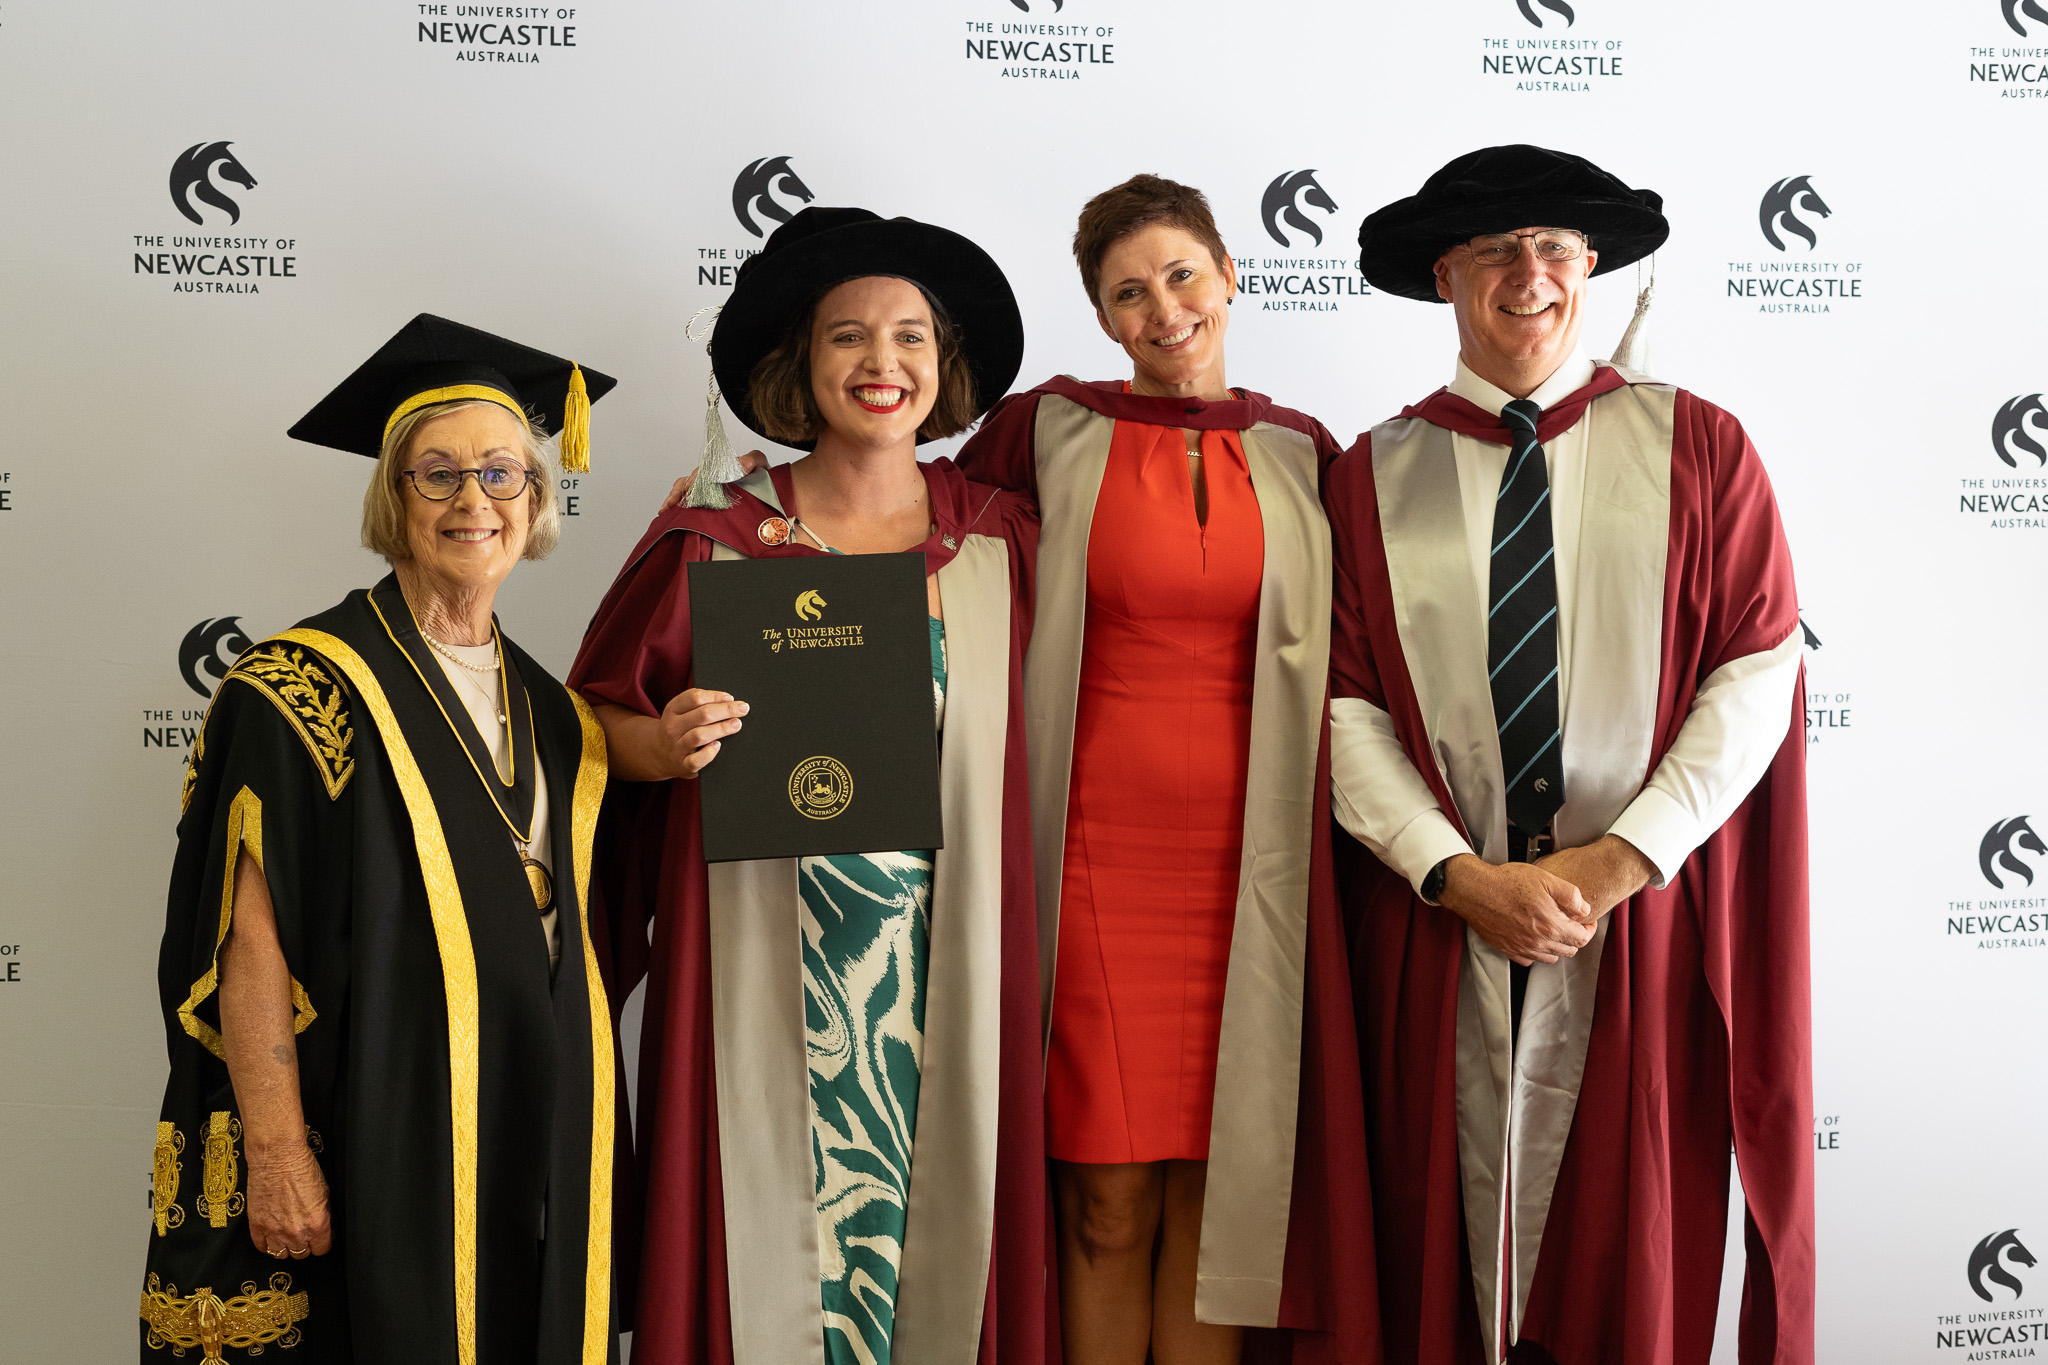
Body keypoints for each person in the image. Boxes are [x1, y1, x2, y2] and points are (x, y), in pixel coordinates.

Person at [1327, 144, 1812, 1365]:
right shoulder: (1367, 473)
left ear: (1590, 265)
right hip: (1437, 931)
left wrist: (1614, 866)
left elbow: (1756, 671)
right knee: (1427, 1263)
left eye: (1551, 248)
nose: (1525, 274)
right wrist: (1456, 876)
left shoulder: (1696, 447)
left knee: (1622, 1262)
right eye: (1491, 250)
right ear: (1442, 275)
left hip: (1631, 929)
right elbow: (1337, 711)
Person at [569, 208, 1049, 1365]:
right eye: (846, 338)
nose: (880, 365)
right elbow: (593, 728)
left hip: (953, 951)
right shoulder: (716, 535)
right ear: (799, 364)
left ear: (945, 369)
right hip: (760, 956)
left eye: (909, 339)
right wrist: (666, 741)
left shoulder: (1002, 540)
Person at [955, 174, 1377, 1365]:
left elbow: (1380, 646)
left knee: (1219, 1203)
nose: (1163, 310)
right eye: (1127, 293)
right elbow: (916, 537)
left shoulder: (1303, 454)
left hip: (1258, 872)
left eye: (1180, 275)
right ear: (1100, 318)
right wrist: (758, 518)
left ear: (1230, 275)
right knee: (1103, 1201)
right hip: (1090, 861)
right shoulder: (1043, 431)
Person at [142, 314, 620, 1364]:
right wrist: (272, 1149)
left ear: (536, 502)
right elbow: (245, 939)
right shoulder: (299, 686)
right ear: (389, 500)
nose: (471, 501)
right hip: (374, 1126)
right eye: (435, 475)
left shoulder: (554, 710)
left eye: (501, 474)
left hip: (527, 1135)